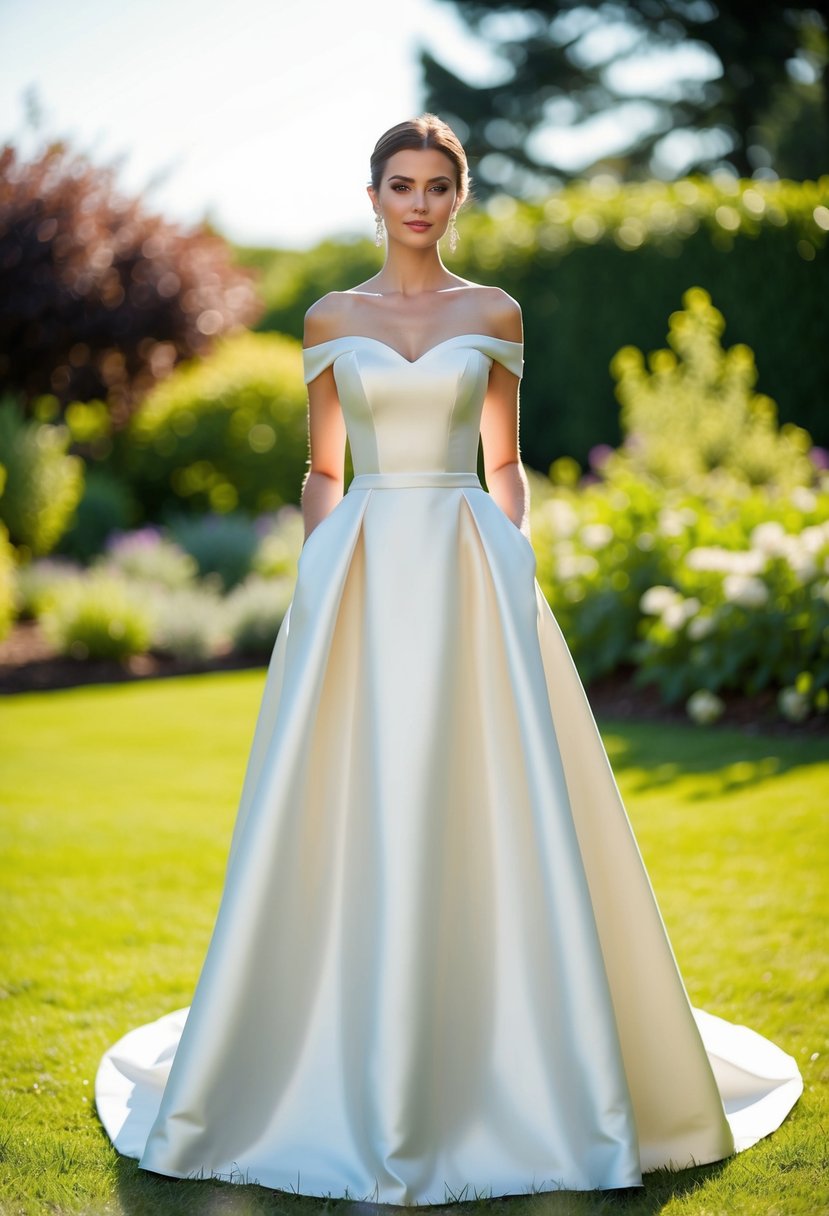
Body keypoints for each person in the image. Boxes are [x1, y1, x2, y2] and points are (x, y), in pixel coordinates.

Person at [95, 114, 802, 1205]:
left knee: (496, 797)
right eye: (399, 184)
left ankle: (523, 1058)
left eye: (435, 185)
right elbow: (324, 467)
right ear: (371, 195)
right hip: (365, 576)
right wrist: (324, 554)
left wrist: (515, 553)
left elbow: (506, 458)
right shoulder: (332, 317)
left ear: (457, 196)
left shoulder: (494, 313)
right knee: (353, 798)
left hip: (473, 569)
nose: (417, 202)